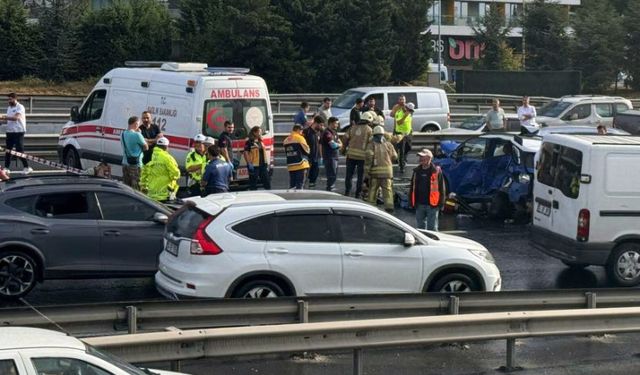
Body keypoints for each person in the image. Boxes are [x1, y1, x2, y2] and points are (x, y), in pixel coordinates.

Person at [409, 148, 445, 231]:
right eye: (420, 157)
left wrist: (441, 204)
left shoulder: (436, 171)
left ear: (429, 158)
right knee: (420, 229)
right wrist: (411, 201)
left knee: (432, 228)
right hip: (419, 204)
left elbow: (441, 188)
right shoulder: (417, 171)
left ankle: (434, 243)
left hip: (432, 205)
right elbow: (412, 187)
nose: (420, 159)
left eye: (422, 157)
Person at [365, 125, 397, 213]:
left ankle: (371, 208)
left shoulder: (371, 145)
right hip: (387, 173)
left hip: (375, 174)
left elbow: (368, 159)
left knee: (373, 191)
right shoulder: (389, 144)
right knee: (388, 191)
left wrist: (367, 174)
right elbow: (395, 157)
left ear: (374, 135)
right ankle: (389, 208)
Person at [140, 137, 180, 202]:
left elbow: (143, 173)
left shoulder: (148, 155)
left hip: (151, 193)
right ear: (166, 147)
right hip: (165, 194)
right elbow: (176, 173)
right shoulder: (168, 158)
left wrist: (143, 186)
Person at [343, 111, 373, 198]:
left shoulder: (353, 127)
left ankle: (347, 192)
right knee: (360, 176)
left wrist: (344, 148)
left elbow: (345, 138)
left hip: (351, 155)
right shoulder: (369, 130)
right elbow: (371, 143)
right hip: (362, 157)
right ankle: (357, 194)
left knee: (349, 175)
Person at [1, 93, 31, 174]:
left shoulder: (20, 107)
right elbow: (8, 119)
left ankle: (27, 167)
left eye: (10, 99)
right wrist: (2, 121)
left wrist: (3, 117)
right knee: (8, 150)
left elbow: (16, 118)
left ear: (15, 99)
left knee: (19, 150)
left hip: (19, 131)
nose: (9, 101)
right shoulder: (9, 108)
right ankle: (6, 168)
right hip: (10, 131)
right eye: (8, 99)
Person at [121, 116, 148, 190]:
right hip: (136, 165)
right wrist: (140, 134)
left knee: (126, 188)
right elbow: (146, 147)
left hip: (125, 163)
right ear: (136, 124)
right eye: (138, 124)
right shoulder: (137, 135)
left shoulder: (122, 134)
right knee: (137, 189)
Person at [390, 96, 414, 173]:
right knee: (401, 150)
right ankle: (401, 166)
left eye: (411, 110)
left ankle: (403, 159)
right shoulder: (399, 112)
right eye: (409, 110)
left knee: (409, 147)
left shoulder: (409, 112)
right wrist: (405, 115)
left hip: (408, 133)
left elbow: (409, 122)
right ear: (406, 108)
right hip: (400, 134)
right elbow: (399, 122)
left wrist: (410, 130)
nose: (410, 111)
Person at [243, 126, 271, 190]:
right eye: (259, 132)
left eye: (261, 132)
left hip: (263, 165)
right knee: (253, 184)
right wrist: (249, 163)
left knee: (267, 182)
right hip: (254, 166)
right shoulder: (249, 142)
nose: (261, 133)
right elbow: (246, 153)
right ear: (254, 133)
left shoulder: (261, 141)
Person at [283, 124, 310, 189]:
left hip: (291, 165)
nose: (302, 132)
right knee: (300, 185)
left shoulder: (286, 140)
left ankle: (292, 197)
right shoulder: (300, 138)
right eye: (301, 130)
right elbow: (307, 150)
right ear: (298, 130)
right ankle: (299, 197)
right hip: (301, 164)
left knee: (292, 185)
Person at [321, 116, 342, 191]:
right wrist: (339, 145)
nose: (337, 125)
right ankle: (330, 188)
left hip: (335, 156)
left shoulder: (334, 132)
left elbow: (339, 141)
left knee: (334, 173)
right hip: (329, 157)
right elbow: (333, 145)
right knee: (331, 174)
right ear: (331, 123)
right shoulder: (327, 133)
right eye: (336, 123)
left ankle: (331, 187)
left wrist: (339, 144)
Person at [302, 116, 323, 188]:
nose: (321, 127)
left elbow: (320, 144)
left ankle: (312, 187)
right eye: (320, 125)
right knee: (304, 175)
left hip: (316, 158)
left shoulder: (318, 132)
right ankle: (302, 188)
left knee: (314, 175)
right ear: (316, 123)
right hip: (307, 158)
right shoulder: (306, 132)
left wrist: (320, 156)